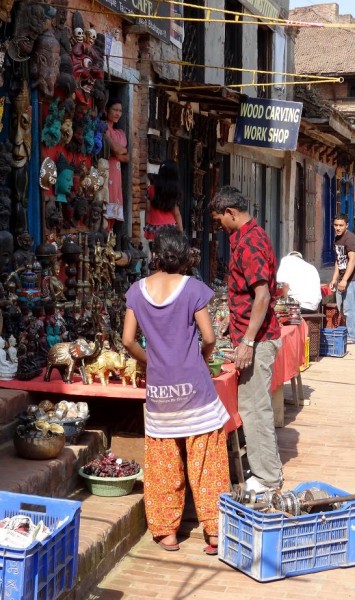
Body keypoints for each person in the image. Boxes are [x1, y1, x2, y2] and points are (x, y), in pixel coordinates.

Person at [122, 228, 229, 555]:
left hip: (161, 394)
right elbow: (209, 337)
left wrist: (149, 360)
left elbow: (128, 340)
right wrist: (201, 358)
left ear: (155, 254)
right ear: (184, 256)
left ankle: (167, 532)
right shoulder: (193, 289)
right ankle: (214, 532)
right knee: (207, 461)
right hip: (195, 390)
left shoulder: (136, 292)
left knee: (164, 463)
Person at [210, 185, 283, 494]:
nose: (218, 226)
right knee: (253, 407)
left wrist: (248, 341)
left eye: (219, 220)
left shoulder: (250, 242)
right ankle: (264, 470)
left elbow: (262, 295)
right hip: (254, 333)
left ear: (231, 213)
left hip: (260, 338)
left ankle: (267, 478)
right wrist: (233, 321)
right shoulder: (246, 237)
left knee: (255, 409)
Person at [329, 213, 355, 344]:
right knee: (342, 308)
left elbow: (352, 261)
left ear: (347, 225)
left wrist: (344, 280)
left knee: (350, 309)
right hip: (342, 278)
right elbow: (338, 260)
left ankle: (353, 336)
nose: (338, 228)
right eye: (336, 225)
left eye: (341, 225)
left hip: (352, 279)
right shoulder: (337, 239)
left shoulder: (350, 239)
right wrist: (334, 278)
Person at [144, 161, 183, 247]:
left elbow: (148, 209)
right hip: (170, 227)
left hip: (154, 226)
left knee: (155, 252)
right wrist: (181, 231)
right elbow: (176, 214)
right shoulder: (173, 191)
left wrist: (147, 224)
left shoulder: (151, 189)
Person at [104, 98, 128, 227]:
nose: (117, 113)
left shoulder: (120, 133)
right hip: (107, 173)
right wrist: (119, 151)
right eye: (114, 110)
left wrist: (117, 152)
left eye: (120, 111)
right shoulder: (103, 128)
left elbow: (128, 157)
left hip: (116, 174)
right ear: (106, 110)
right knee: (105, 212)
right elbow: (116, 149)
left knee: (113, 215)